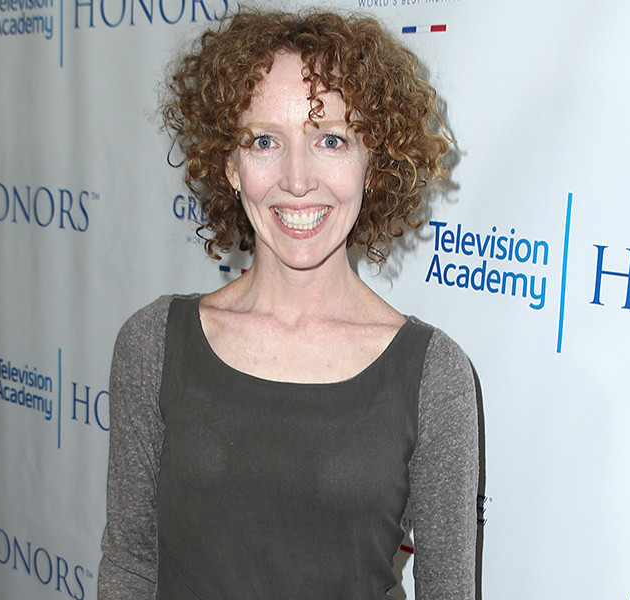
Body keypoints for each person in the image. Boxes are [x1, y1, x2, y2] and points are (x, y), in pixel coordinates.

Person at [98, 9, 478, 600]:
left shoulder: (433, 375)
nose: (297, 179)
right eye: (265, 141)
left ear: (372, 164)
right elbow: (128, 565)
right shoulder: (154, 342)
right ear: (229, 165)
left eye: (330, 140)